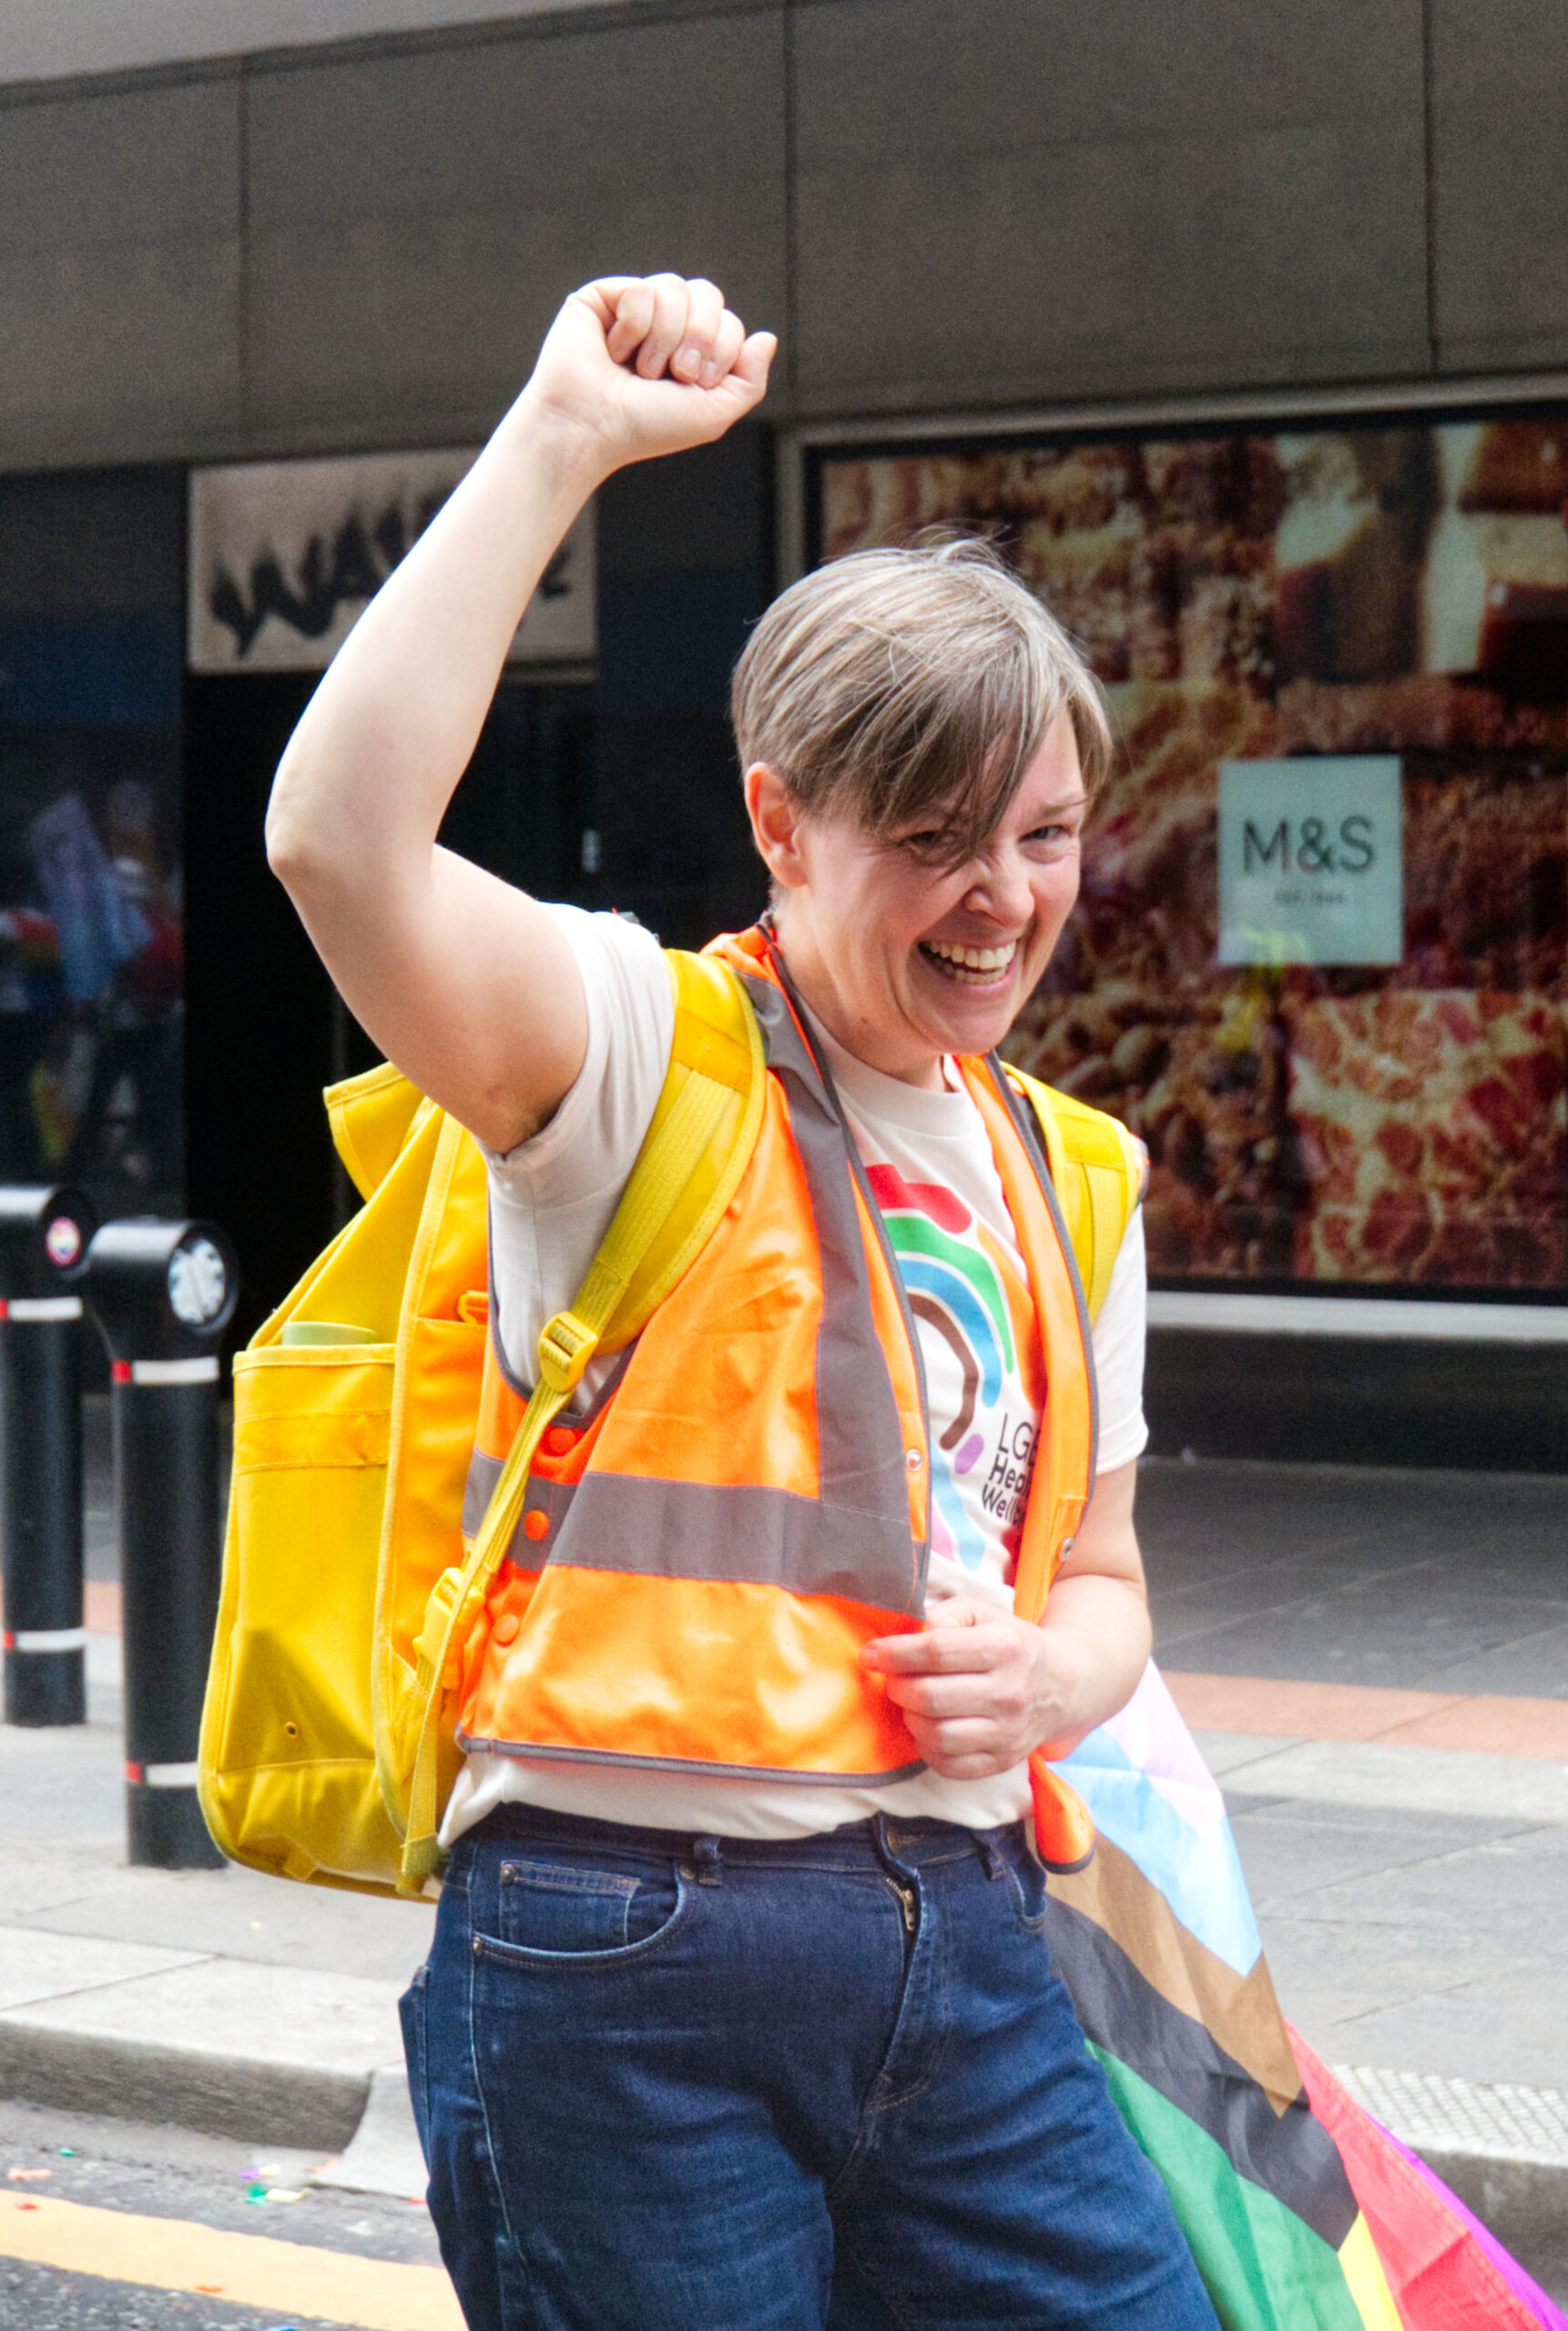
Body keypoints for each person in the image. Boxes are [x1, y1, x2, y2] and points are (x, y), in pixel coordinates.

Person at [267, 274, 1221, 2331]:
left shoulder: (1073, 1170)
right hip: (628, 1954)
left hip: (971, 1940)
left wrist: (1055, 1680)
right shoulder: (634, 1050)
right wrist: (560, 439)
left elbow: (1111, 1575)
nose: (1005, 900)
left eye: (1046, 834)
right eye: (939, 839)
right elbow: (340, 844)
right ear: (784, 824)